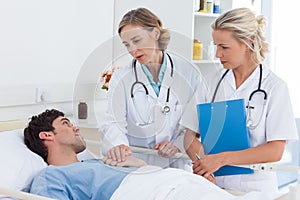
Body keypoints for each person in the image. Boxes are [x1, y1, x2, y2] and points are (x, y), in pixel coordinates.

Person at [24, 109, 269, 200]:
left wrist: (135, 164)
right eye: (66, 123)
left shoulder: (97, 161)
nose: (75, 127)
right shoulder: (51, 177)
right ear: (47, 135)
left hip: (164, 179)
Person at [181, 7, 298, 195]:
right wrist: (204, 165)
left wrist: (221, 159)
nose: (217, 54)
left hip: (256, 189)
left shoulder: (274, 87)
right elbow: (188, 136)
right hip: (212, 186)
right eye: (216, 46)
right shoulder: (210, 82)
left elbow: (275, 150)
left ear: (248, 43)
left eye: (224, 47)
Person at [99, 7, 208, 169]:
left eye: (136, 41)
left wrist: (177, 143)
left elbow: (194, 122)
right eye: (127, 45)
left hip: (176, 163)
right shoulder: (121, 78)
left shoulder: (189, 73)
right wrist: (119, 145)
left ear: (156, 33)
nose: (132, 50)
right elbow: (114, 122)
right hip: (137, 165)